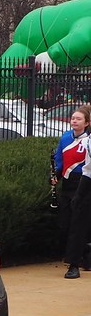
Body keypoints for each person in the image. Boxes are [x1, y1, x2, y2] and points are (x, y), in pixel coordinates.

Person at [54, 106, 91, 278]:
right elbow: (59, 161)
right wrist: (55, 176)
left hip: (84, 185)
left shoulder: (88, 141)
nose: (74, 121)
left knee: (77, 224)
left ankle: (73, 265)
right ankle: (85, 254)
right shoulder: (65, 138)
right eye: (73, 118)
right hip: (67, 185)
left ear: (87, 123)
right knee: (65, 224)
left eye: (79, 119)